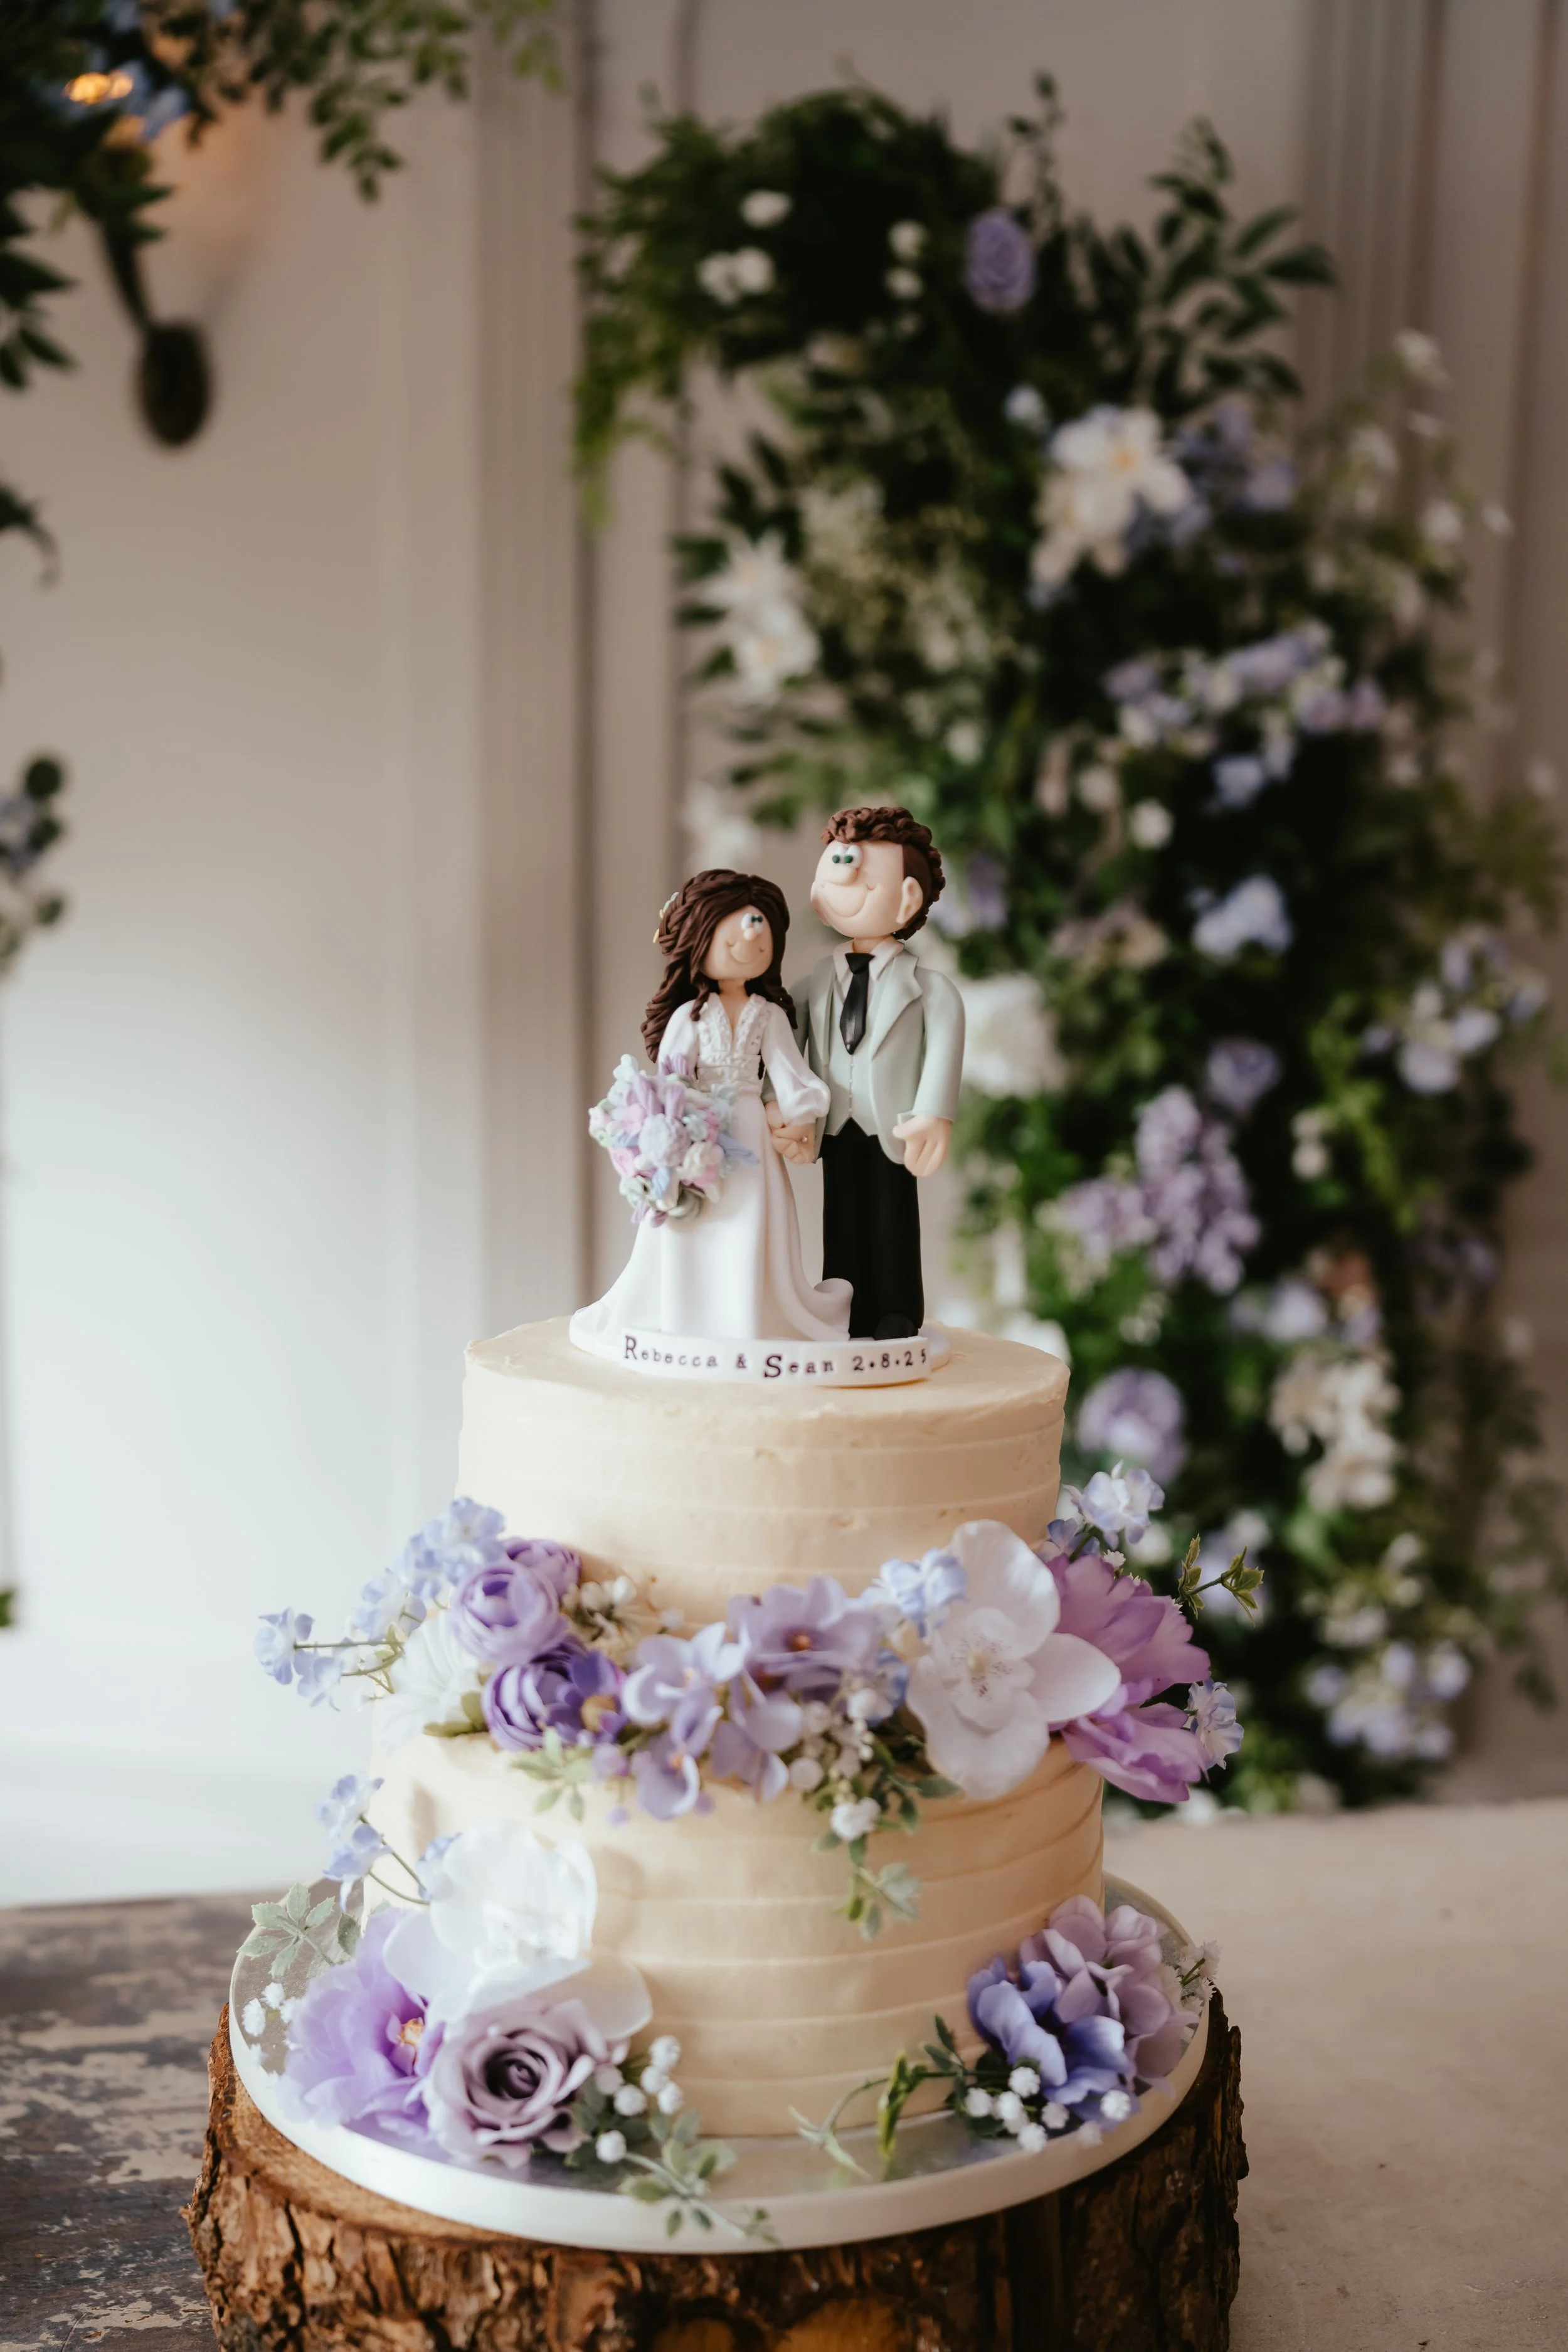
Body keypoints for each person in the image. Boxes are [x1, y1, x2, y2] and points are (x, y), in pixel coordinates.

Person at [570, 870, 852, 1348]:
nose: (752, 936)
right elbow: (670, 1081)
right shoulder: (690, 1016)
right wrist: (673, 1133)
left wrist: (802, 1112)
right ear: (700, 938)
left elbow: (790, 1072)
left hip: (753, 1137)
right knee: (698, 1220)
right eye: (738, 925)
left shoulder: (770, 1015)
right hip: (702, 1130)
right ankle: (690, 1314)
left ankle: (752, 1316)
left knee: (751, 1219)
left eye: (761, 924)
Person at [788, 807, 965, 1340]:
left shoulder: (928, 988)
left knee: (892, 1221)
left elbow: (946, 1044)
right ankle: (842, 1306)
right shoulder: (815, 983)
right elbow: (783, 1042)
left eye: (862, 881)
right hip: (834, 1123)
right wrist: (784, 1107)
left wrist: (934, 1112)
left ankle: (895, 1310)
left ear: (908, 899)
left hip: (894, 1124)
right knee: (839, 1218)